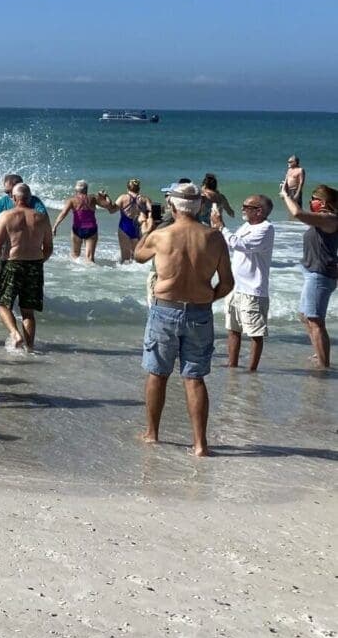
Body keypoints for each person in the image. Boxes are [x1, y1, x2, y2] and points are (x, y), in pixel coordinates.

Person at [134, 183, 234, 456]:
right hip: (199, 311)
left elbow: (138, 256)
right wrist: (207, 298)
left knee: (157, 373)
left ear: (172, 206)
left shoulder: (161, 235)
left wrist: (148, 229)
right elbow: (227, 283)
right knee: (195, 378)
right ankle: (200, 444)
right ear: (199, 206)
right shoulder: (214, 238)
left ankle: (152, 433)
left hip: (165, 309)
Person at [212, 195, 274, 372]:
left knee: (255, 333)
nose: (242, 209)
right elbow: (229, 241)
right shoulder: (246, 226)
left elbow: (240, 244)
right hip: (235, 287)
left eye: (246, 206)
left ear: (259, 211)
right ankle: (232, 364)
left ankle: (252, 369)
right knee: (233, 329)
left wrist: (221, 226)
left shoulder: (266, 228)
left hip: (253, 290)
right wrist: (217, 226)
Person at [0, 183, 53, 351]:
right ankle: (30, 348)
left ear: (14, 198)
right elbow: (48, 247)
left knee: (3, 304)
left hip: (12, 263)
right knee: (28, 312)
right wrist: (38, 263)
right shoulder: (42, 217)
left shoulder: (5, 216)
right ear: (29, 198)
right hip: (35, 265)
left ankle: (15, 334)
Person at [281, 183, 338, 369]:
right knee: (305, 316)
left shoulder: (329, 218)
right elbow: (298, 214)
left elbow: (297, 213)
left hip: (320, 275)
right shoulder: (321, 219)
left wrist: (285, 195)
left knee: (315, 320)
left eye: (313, 199)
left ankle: (324, 364)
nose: (310, 202)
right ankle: (319, 353)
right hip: (313, 272)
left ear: (323, 202)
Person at [50, 180, 105, 263]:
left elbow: (63, 213)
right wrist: (103, 197)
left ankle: (76, 271)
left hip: (77, 230)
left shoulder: (72, 200)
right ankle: (91, 271)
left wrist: (55, 226)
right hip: (91, 229)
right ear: (86, 189)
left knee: (75, 255)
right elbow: (109, 206)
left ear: (76, 190)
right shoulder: (94, 198)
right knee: (90, 258)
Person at [109, 179, 150, 263]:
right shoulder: (144, 199)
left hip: (124, 227)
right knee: (136, 257)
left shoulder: (123, 198)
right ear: (139, 189)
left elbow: (112, 210)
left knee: (125, 259)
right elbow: (152, 212)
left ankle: (123, 271)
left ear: (127, 188)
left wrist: (107, 201)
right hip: (138, 228)